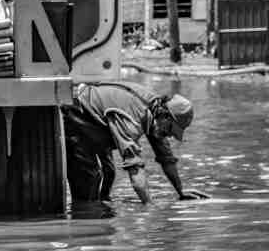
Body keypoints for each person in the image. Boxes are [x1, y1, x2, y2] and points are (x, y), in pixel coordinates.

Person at [62, 81, 209, 204]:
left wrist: (180, 190)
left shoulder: (156, 112)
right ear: (165, 116)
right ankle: (84, 214)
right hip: (75, 114)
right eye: (170, 130)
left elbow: (166, 158)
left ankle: (101, 206)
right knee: (90, 178)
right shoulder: (133, 119)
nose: (170, 135)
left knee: (109, 173)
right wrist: (149, 207)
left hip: (97, 120)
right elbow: (135, 169)